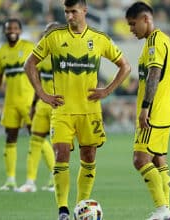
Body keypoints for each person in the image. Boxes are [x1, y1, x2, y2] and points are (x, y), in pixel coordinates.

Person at [23, 1, 131, 219]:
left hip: (89, 111)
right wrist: (42, 94)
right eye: (66, 12)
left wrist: (107, 90)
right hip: (62, 110)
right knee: (61, 154)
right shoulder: (54, 37)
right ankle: (62, 210)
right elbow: (29, 64)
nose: (69, 16)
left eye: (73, 11)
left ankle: (81, 204)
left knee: (89, 157)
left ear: (84, 11)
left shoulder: (99, 39)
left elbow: (125, 66)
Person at [0, 18, 46, 191]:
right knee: (10, 137)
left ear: (20, 30)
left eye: (15, 28)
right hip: (10, 102)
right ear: (4, 31)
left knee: (37, 136)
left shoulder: (28, 47)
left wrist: (39, 96)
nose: (12, 30)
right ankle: (10, 179)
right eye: (9, 28)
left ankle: (52, 177)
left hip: (28, 100)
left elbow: (40, 71)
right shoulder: (1, 52)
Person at [125, 2, 170, 220]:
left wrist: (145, 108)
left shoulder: (155, 42)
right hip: (164, 112)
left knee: (140, 160)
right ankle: (167, 211)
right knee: (158, 161)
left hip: (153, 114)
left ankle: (162, 209)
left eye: (133, 24)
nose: (130, 29)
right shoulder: (157, 41)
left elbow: (155, 74)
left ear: (146, 19)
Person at [16, 22, 62, 193]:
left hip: (60, 107)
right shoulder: (41, 57)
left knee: (59, 146)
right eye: (44, 33)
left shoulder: (67, 54)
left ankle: (56, 181)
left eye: (48, 33)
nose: (44, 36)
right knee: (35, 142)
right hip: (43, 106)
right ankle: (30, 182)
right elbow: (38, 84)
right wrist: (34, 105)